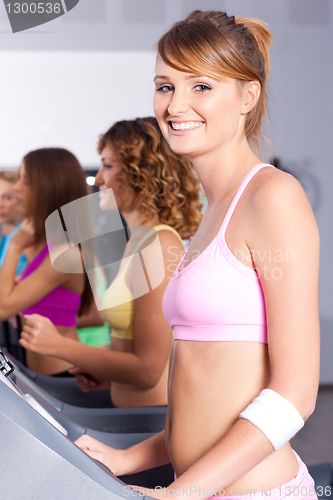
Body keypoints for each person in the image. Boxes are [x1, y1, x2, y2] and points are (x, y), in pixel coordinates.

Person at [71, 11, 319, 499]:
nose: (175, 104)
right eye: (165, 86)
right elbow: (207, 397)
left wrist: (178, 494)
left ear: (248, 96)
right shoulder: (213, 213)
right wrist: (127, 459)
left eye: (200, 86)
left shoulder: (273, 196)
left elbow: (294, 395)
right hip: (198, 488)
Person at [19, 117, 202, 408]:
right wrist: (106, 373)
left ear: (140, 172)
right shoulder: (138, 242)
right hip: (128, 410)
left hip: (146, 422)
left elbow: (148, 370)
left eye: (108, 165)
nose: (100, 180)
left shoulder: (158, 247)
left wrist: (60, 345)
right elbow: (132, 351)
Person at [0, 148, 94, 376]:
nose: (17, 187)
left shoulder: (65, 253)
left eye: (26, 180)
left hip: (61, 375)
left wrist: (14, 245)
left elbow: (2, 307)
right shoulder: (46, 244)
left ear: (49, 188)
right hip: (41, 375)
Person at [0, 171, 27, 275]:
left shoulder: (28, 234)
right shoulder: (5, 230)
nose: (0, 204)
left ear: (20, 199)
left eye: (6, 197)